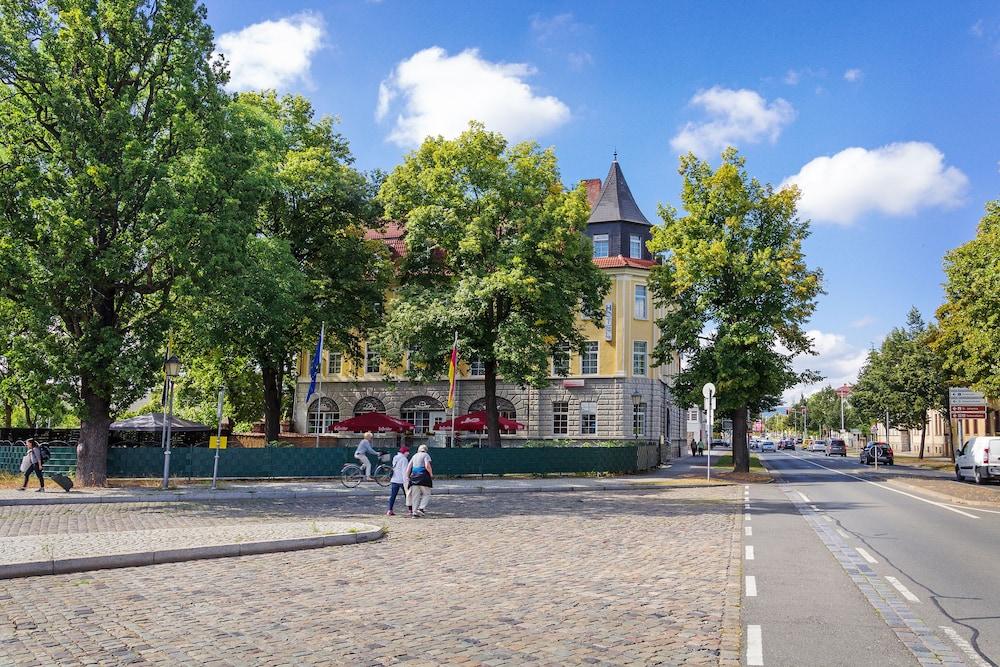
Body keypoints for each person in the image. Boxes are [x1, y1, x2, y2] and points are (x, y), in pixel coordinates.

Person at [405, 444, 434, 517]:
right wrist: (431, 474)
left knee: (415, 496)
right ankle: (421, 508)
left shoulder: (414, 456)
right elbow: (427, 465)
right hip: (423, 477)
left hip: (414, 477)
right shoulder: (426, 455)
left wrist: (407, 477)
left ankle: (414, 512)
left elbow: (409, 467)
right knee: (426, 493)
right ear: (425, 450)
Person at [386, 445, 410, 516]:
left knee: (393, 496)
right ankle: (410, 510)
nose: (408, 453)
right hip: (402, 480)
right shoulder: (404, 459)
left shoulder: (395, 457)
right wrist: (406, 480)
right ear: (404, 452)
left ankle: (389, 510)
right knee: (407, 495)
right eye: (407, 452)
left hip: (394, 479)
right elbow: (404, 471)